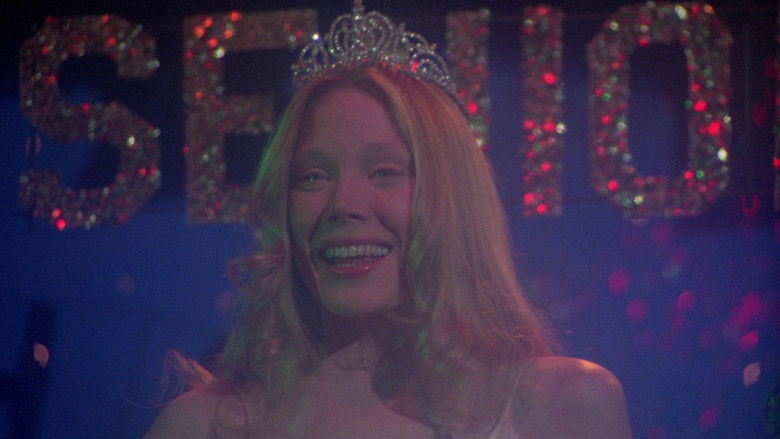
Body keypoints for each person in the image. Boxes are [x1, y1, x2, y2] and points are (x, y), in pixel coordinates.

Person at [146, 2, 632, 438]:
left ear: (451, 198)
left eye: (385, 171)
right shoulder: (204, 427)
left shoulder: (566, 408)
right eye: (313, 176)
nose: (344, 204)